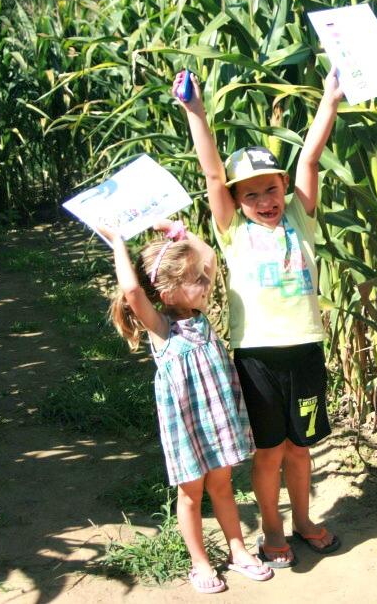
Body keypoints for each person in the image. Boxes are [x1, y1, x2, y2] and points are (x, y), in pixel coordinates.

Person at [174, 69, 342, 568]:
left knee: (300, 448)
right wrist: (195, 113)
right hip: (256, 358)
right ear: (235, 202)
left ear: (283, 187)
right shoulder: (231, 233)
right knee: (269, 451)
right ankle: (272, 527)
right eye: (249, 195)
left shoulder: (300, 218)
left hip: (306, 351)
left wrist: (330, 100)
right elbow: (210, 174)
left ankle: (304, 520)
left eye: (270, 190)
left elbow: (310, 155)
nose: (263, 202)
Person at [100, 220, 272, 594]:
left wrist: (178, 232)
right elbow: (131, 289)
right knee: (191, 493)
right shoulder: (161, 328)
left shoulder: (200, 317)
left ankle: (238, 550)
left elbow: (208, 255)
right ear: (166, 293)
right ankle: (199, 561)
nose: (206, 282)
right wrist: (118, 243)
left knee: (223, 485)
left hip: (218, 418)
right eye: (196, 279)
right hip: (186, 423)